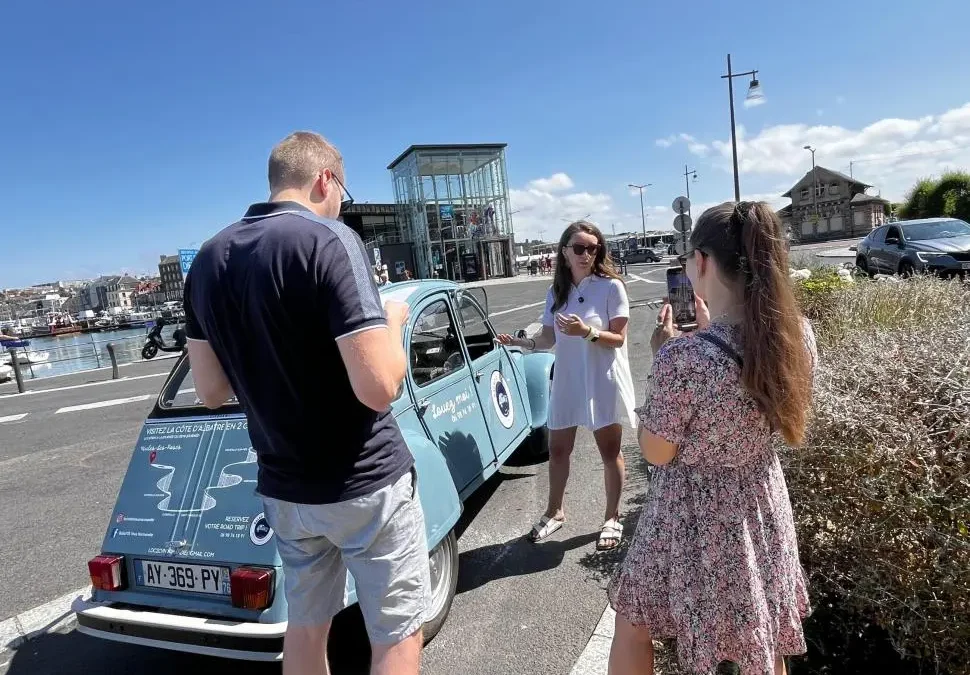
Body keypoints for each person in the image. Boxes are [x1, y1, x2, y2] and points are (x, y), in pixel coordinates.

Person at [182, 131, 429, 675]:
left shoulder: (207, 259)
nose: (342, 201)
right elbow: (379, 388)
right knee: (395, 634)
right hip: (364, 481)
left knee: (307, 626)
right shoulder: (329, 241)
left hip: (286, 490)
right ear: (324, 179)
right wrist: (392, 323)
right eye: (343, 188)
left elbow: (211, 391)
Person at [607, 201, 817, 675]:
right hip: (762, 503)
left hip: (691, 515)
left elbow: (658, 451)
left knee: (634, 622)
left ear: (701, 262)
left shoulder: (684, 359)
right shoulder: (797, 334)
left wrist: (667, 355)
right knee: (765, 633)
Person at [496, 220, 636, 551]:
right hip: (568, 380)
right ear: (564, 252)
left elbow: (618, 339)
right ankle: (555, 511)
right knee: (558, 450)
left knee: (609, 452)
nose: (587, 254)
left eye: (593, 248)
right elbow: (547, 337)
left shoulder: (611, 287)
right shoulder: (556, 292)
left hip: (601, 380)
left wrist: (586, 332)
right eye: (579, 248)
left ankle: (612, 516)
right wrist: (522, 343)